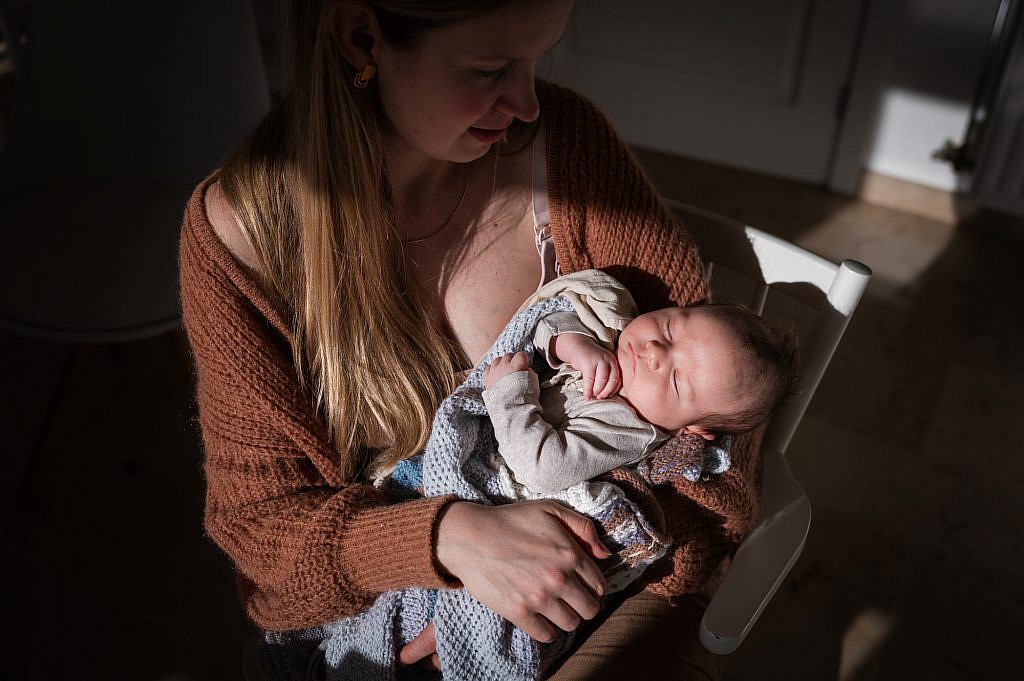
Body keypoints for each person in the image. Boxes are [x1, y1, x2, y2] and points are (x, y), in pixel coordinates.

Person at [179, 1, 762, 677]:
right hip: (370, 630)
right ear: (362, 36)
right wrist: (449, 538)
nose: (525, 101)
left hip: (592, 595)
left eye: (537, 60)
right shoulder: (240, 239)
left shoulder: (565, 149)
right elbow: (263, 531)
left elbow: (721, 437)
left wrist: (589, 560)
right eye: (490, 69)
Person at [481, 269, 798, 495]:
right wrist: (574, 344)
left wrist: (509, 394)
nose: (655, 352)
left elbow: (543, 470)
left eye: (675, 380)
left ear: (689, 430)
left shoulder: (625, 430)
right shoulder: (613, 323)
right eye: (669, 330)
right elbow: (543, 322)